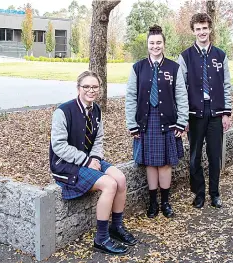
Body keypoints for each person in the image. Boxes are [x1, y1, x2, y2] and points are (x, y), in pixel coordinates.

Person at [49, 70, 137, 255]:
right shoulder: (63, 111)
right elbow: (58, 146)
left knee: (120, 178)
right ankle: (101, 238)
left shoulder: (96, 109)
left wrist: (95, 158)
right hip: (66, 165)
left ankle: (117, 227)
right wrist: (86, 160)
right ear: (78, 88)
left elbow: (98, 139)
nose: (91, 90)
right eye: (86, 86)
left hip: (90, 160)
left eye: (95, 87)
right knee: (109, 184)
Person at [125, 25, 189, 218]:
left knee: (165, 164)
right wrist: (132, 123)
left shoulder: (173, 68)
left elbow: (181, 97)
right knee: (150, 164)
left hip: (167, 122)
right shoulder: (138, 68)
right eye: (152, 43)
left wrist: (181, 122)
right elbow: (130, 97)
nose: (155, 46)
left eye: (158, 42)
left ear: (164, 44)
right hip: (145, 122)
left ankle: (166, 203)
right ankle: (153, 203)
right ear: (147, 45)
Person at [177, 13, 232, 209]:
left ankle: (215, 193)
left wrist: (226, 113)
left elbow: (226, 85)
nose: (202, 32)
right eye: (198, 29)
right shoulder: (185, 57)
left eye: (205, 28)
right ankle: (199, 193)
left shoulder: (220, 55)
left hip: (216, 113)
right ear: (193, 31)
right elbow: (180, 89)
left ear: (210, 29)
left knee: (215, 156)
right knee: (194, 157)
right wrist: (183, 117)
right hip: (194, 115)